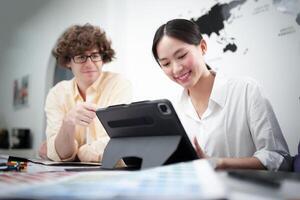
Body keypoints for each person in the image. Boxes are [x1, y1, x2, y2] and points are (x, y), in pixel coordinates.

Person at [152, 18, 291, 171]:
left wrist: (219, 163)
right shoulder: (173, 110)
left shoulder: (246, 90)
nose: (176, 69)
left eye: (182, 55)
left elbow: (279, 158)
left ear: (203, 47)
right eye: (166, 64)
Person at [43, 23, 132, 162]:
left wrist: (82, 152)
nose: (90, 64)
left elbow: (118, 141)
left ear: (103, 57)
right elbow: (61, 154)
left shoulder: (118, 84)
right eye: (81, 57)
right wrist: (68, 122)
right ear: (68, 62)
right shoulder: (56, 94)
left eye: (95, 55)